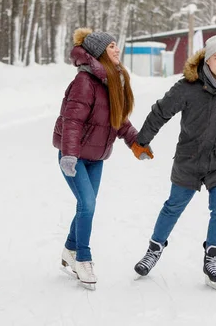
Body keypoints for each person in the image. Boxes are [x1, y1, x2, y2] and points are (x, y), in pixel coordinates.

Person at [130, 35, 216, 288]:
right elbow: (161, 111)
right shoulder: (187, 87)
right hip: (189, 158)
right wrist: (142, 140)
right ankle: (154, 250)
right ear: (207, 61)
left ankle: (212, 258)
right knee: (173, 206)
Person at [53, 28, 153, 288]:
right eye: (111, 46)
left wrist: (136, 143)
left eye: (116, 45)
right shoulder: (84, 82)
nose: (117, 49)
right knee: (87, 205)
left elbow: (118, 120)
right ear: (99, 52)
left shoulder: (111, 80)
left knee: (86, 206)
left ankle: (69, 251)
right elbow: (72, 122)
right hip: (73, 157)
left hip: (95, 158)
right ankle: (83, 259)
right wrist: (70, 155)